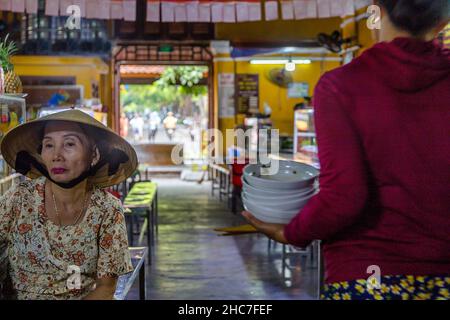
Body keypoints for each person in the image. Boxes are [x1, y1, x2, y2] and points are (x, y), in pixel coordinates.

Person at [243, 0, 450, 300]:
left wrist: (291, 233)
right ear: (442, 23)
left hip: (366, 276)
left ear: (375, 15)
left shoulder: (341, 85)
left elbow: (345, 196)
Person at [0, 109, 138, 300]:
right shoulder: (18, 199)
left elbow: (106, 288)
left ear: (94, 155)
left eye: (69, 144)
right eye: (49, 145)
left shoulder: (108, 209)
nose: (57, 155)